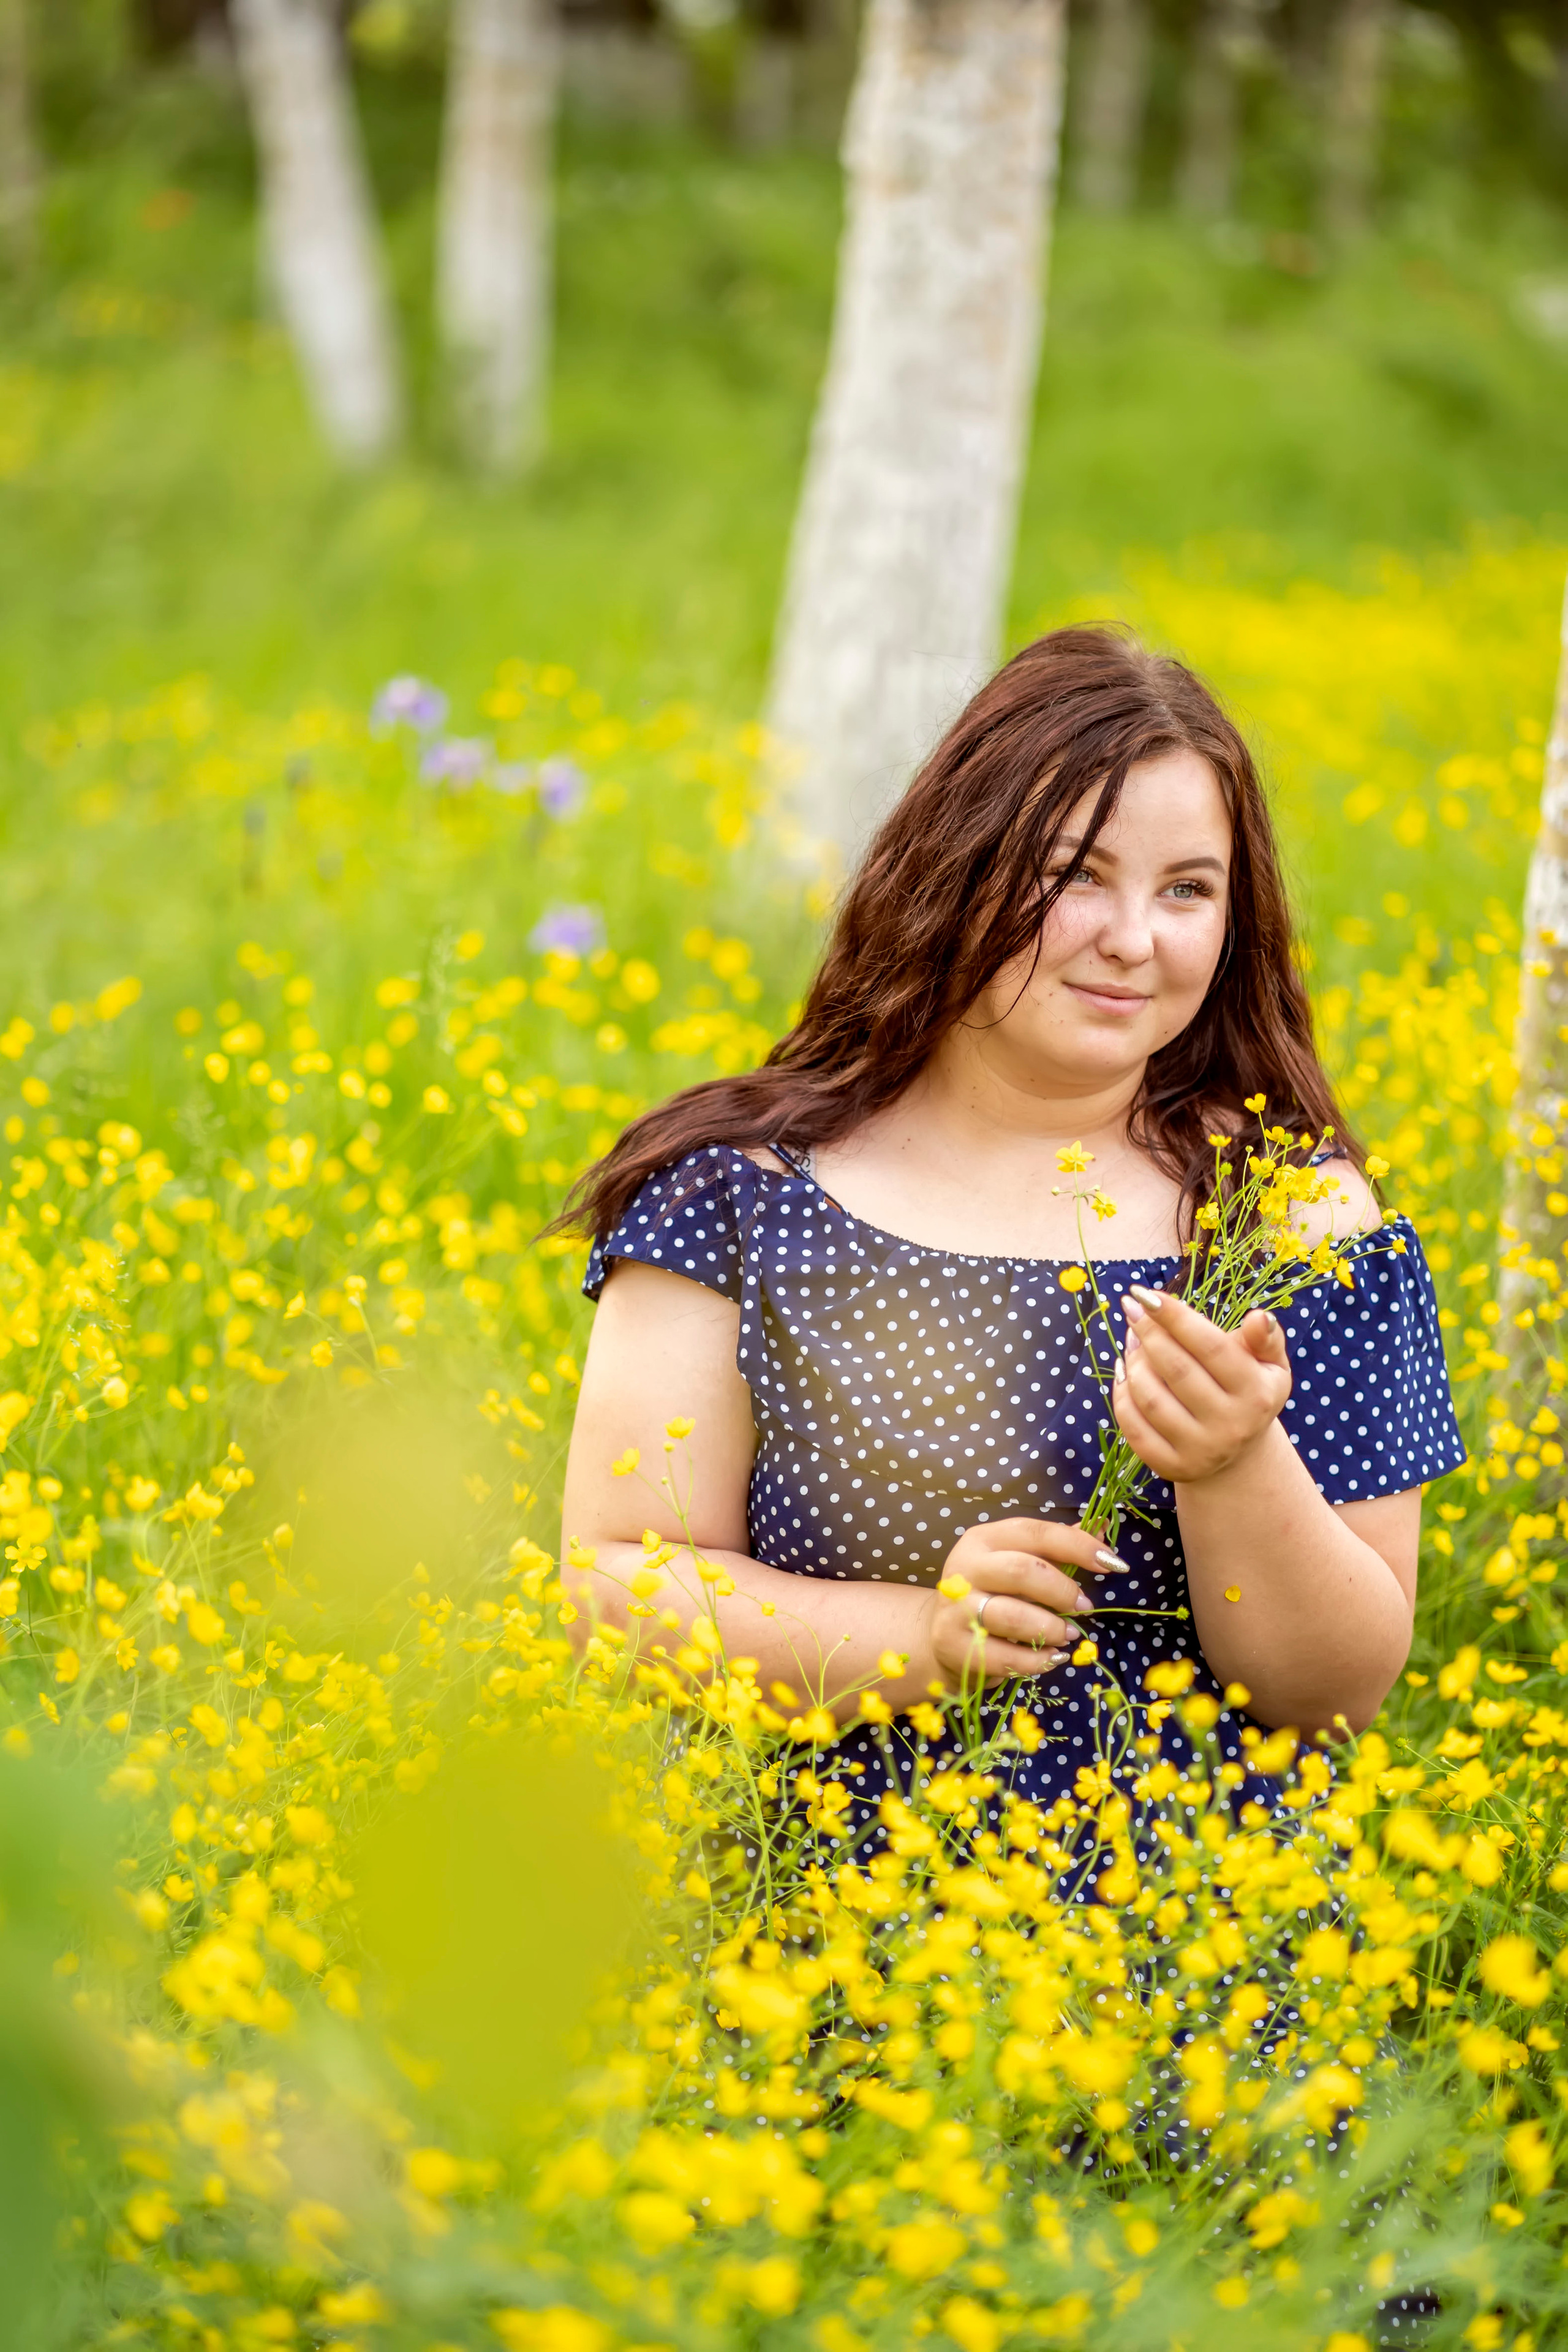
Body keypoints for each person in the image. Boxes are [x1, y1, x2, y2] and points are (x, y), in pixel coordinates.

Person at [556, 627, 1463, 1821]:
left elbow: (1334, 1692)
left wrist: (1234, 1468)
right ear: (957, 868)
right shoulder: (739, 1193)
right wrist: (922, 1641)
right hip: (805, 1965)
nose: (1133, 940)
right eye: (1075, 873)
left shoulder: (1288, 1219)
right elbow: (612, 1589)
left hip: (1192, 1956)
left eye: (1186, 889)